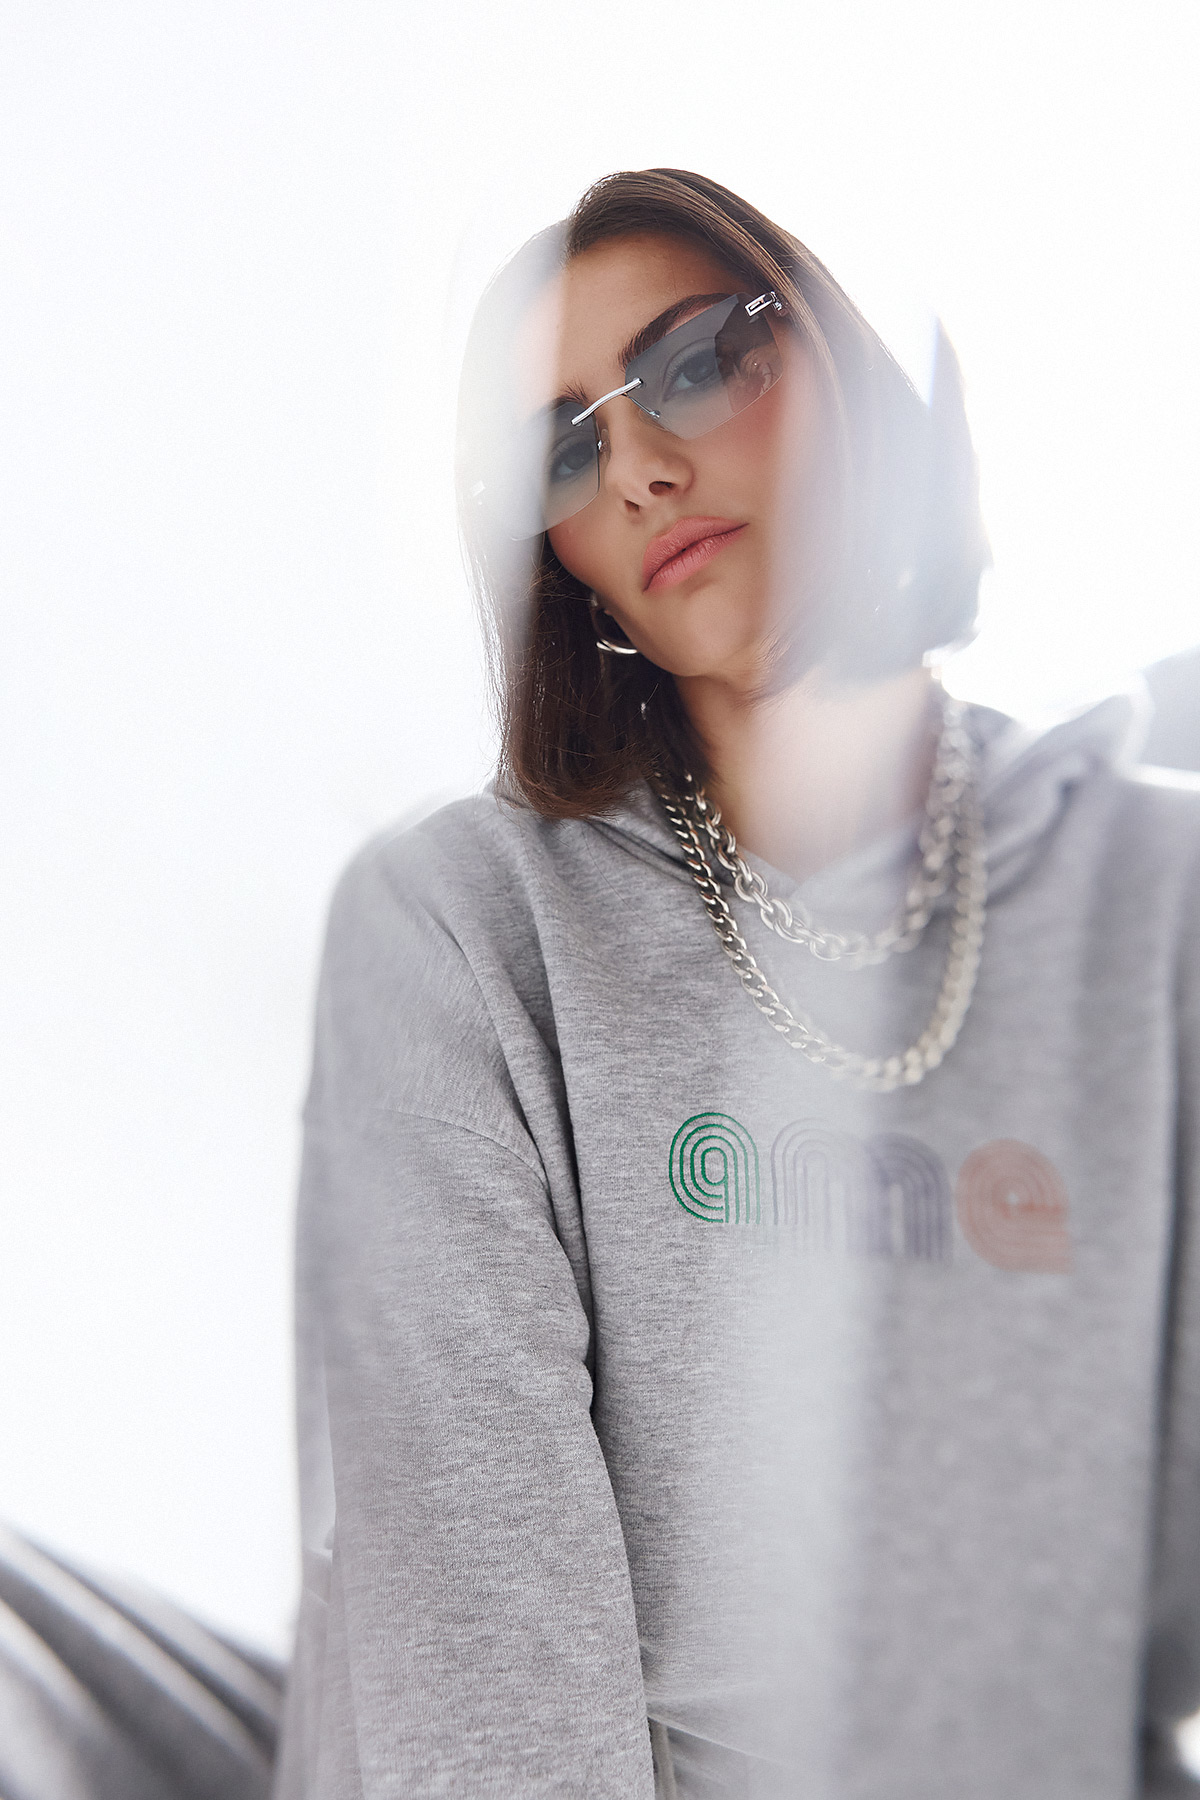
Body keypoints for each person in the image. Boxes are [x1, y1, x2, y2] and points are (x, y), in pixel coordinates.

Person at [273, 169, 1200, 1798]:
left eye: (698, 360)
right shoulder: (461, 929)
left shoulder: (1158, 898)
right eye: (561, 454)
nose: (638, 463)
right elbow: (483, 1669)